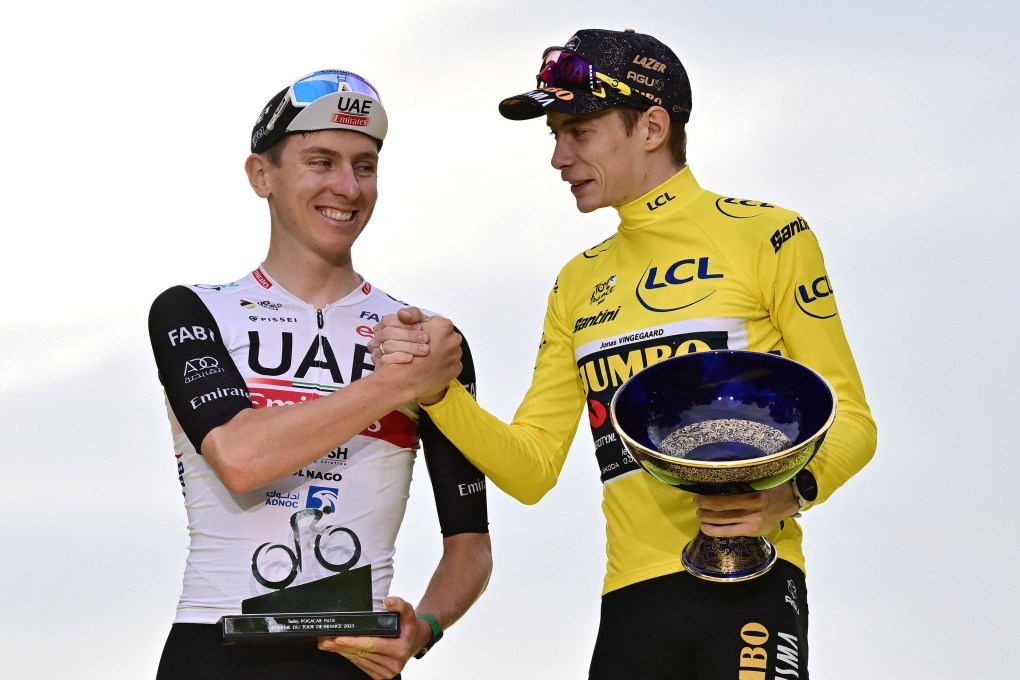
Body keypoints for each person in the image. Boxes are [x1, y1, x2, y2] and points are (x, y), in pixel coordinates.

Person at [371, 29, 877, 679]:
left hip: (752, 583)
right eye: (553, 134)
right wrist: (439, 395)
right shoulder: (577, 282)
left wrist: (791, 493)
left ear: (653, 127)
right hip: (632, 601)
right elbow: (531, 470)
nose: (558, 156)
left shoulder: (770, 236)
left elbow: (855, 422)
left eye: (578, 131)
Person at [147, 69, 492, 680]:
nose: (347, 186)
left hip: (354, 657)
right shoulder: (193, 311)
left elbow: (470, 545)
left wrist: (426, 627)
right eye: (320, 161)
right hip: (213, 646)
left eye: (365, 166)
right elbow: (241, 458)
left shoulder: (428, 337)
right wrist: (394, 384)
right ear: (262, 176)